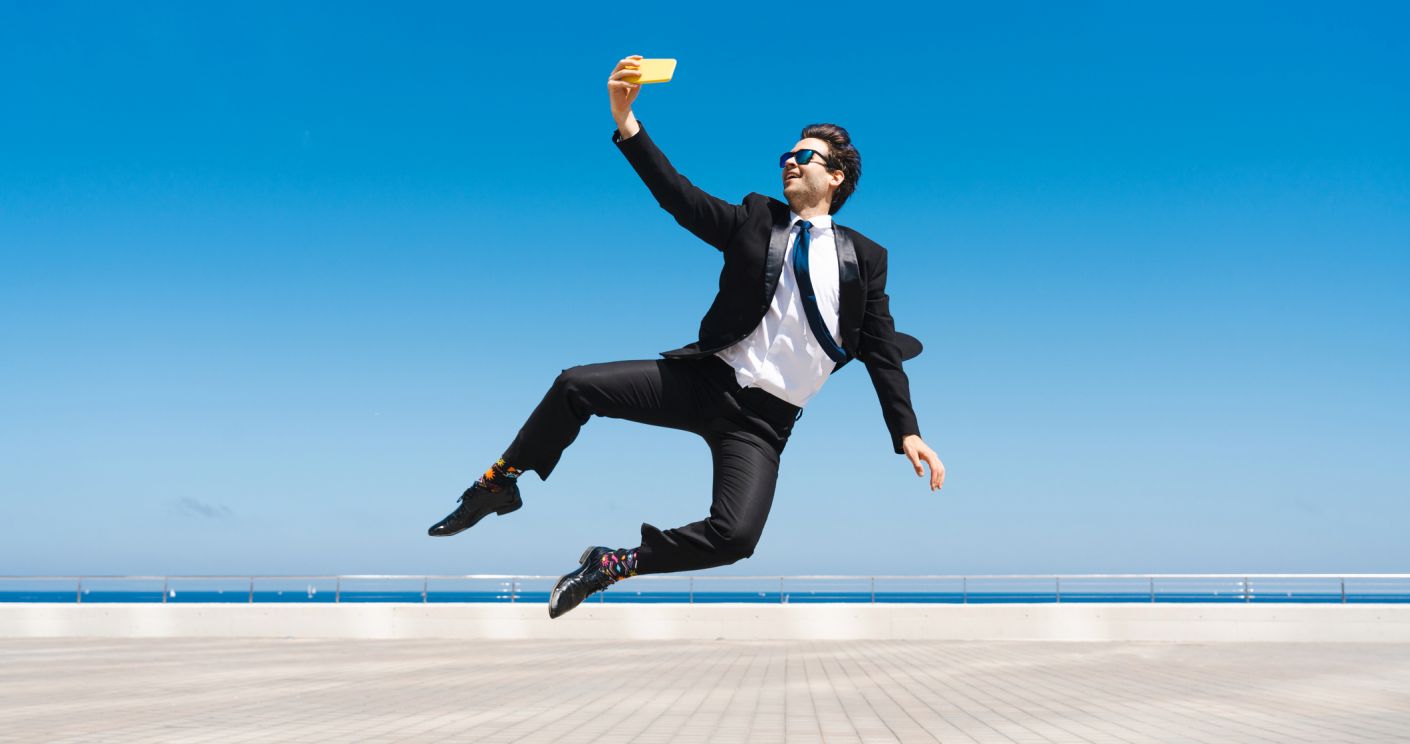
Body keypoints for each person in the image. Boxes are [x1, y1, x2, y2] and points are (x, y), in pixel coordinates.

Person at [427, 54, 946, 619]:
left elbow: (882, 350)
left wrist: (908, 433)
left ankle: (611, 564)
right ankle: (499, 482)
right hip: (703, 381)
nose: (790, 163)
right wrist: (627, 122)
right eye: (786, 156)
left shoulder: (866, 259)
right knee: (575, 385)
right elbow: (678, 196)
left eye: (804, 156)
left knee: (736, 537)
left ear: (836, 176)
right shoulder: (755, 219)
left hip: (762, 425)